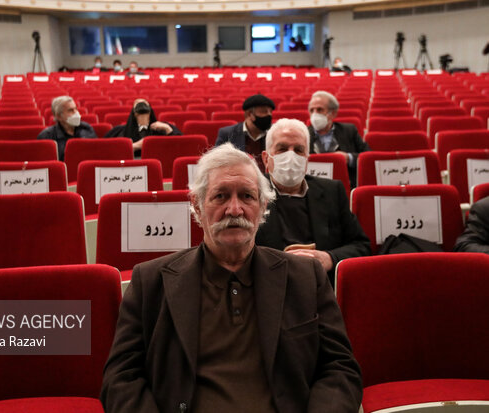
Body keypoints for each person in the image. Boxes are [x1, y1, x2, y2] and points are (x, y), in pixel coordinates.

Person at [101, 142, 363, 413]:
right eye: (220, 196)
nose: (235, 210)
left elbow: (340, 369)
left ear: (262, 207)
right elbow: (121, 378)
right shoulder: (150, 281)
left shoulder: (306, 277)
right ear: (198, 206)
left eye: (247, 196)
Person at [256, 118, 371, 285]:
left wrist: (330, 258)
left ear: (307, 159)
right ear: (266, 159)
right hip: (269, 287)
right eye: (282, 149)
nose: (291, 156)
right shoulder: (250, 195)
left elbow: (361, 246)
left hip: (322, 287)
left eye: (299, 150)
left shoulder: (332, 191)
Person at [307, 90, 369, 187]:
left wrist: (349, 158)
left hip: (344, 185)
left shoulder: (349, 131)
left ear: (333, 113)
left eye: (319, 110)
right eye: (312, 110)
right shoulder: (303, 134)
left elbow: (368, 157)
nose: (315, 115)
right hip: (312, 187)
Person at [215, 94, 275, 173]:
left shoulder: (274, 133)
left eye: (270, 112)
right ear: (249, 114)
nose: (269, 115)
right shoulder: (227, 134)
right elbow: (217, 163)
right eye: (264, 111)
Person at [105, 98, 181, 155]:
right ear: (133, 112)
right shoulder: (120, 131)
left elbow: (179, 147)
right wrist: (134, 146)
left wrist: (168, 129)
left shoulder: (163, 127)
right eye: (138, 105)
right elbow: (107, 150)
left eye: (144, 105)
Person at [36, 96, 96, 161]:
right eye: (70, 110)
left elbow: (96, 154)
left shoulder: (86, 128)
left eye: (76, 109)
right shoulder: (46, 136)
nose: (76, 113)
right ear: (58, 116)